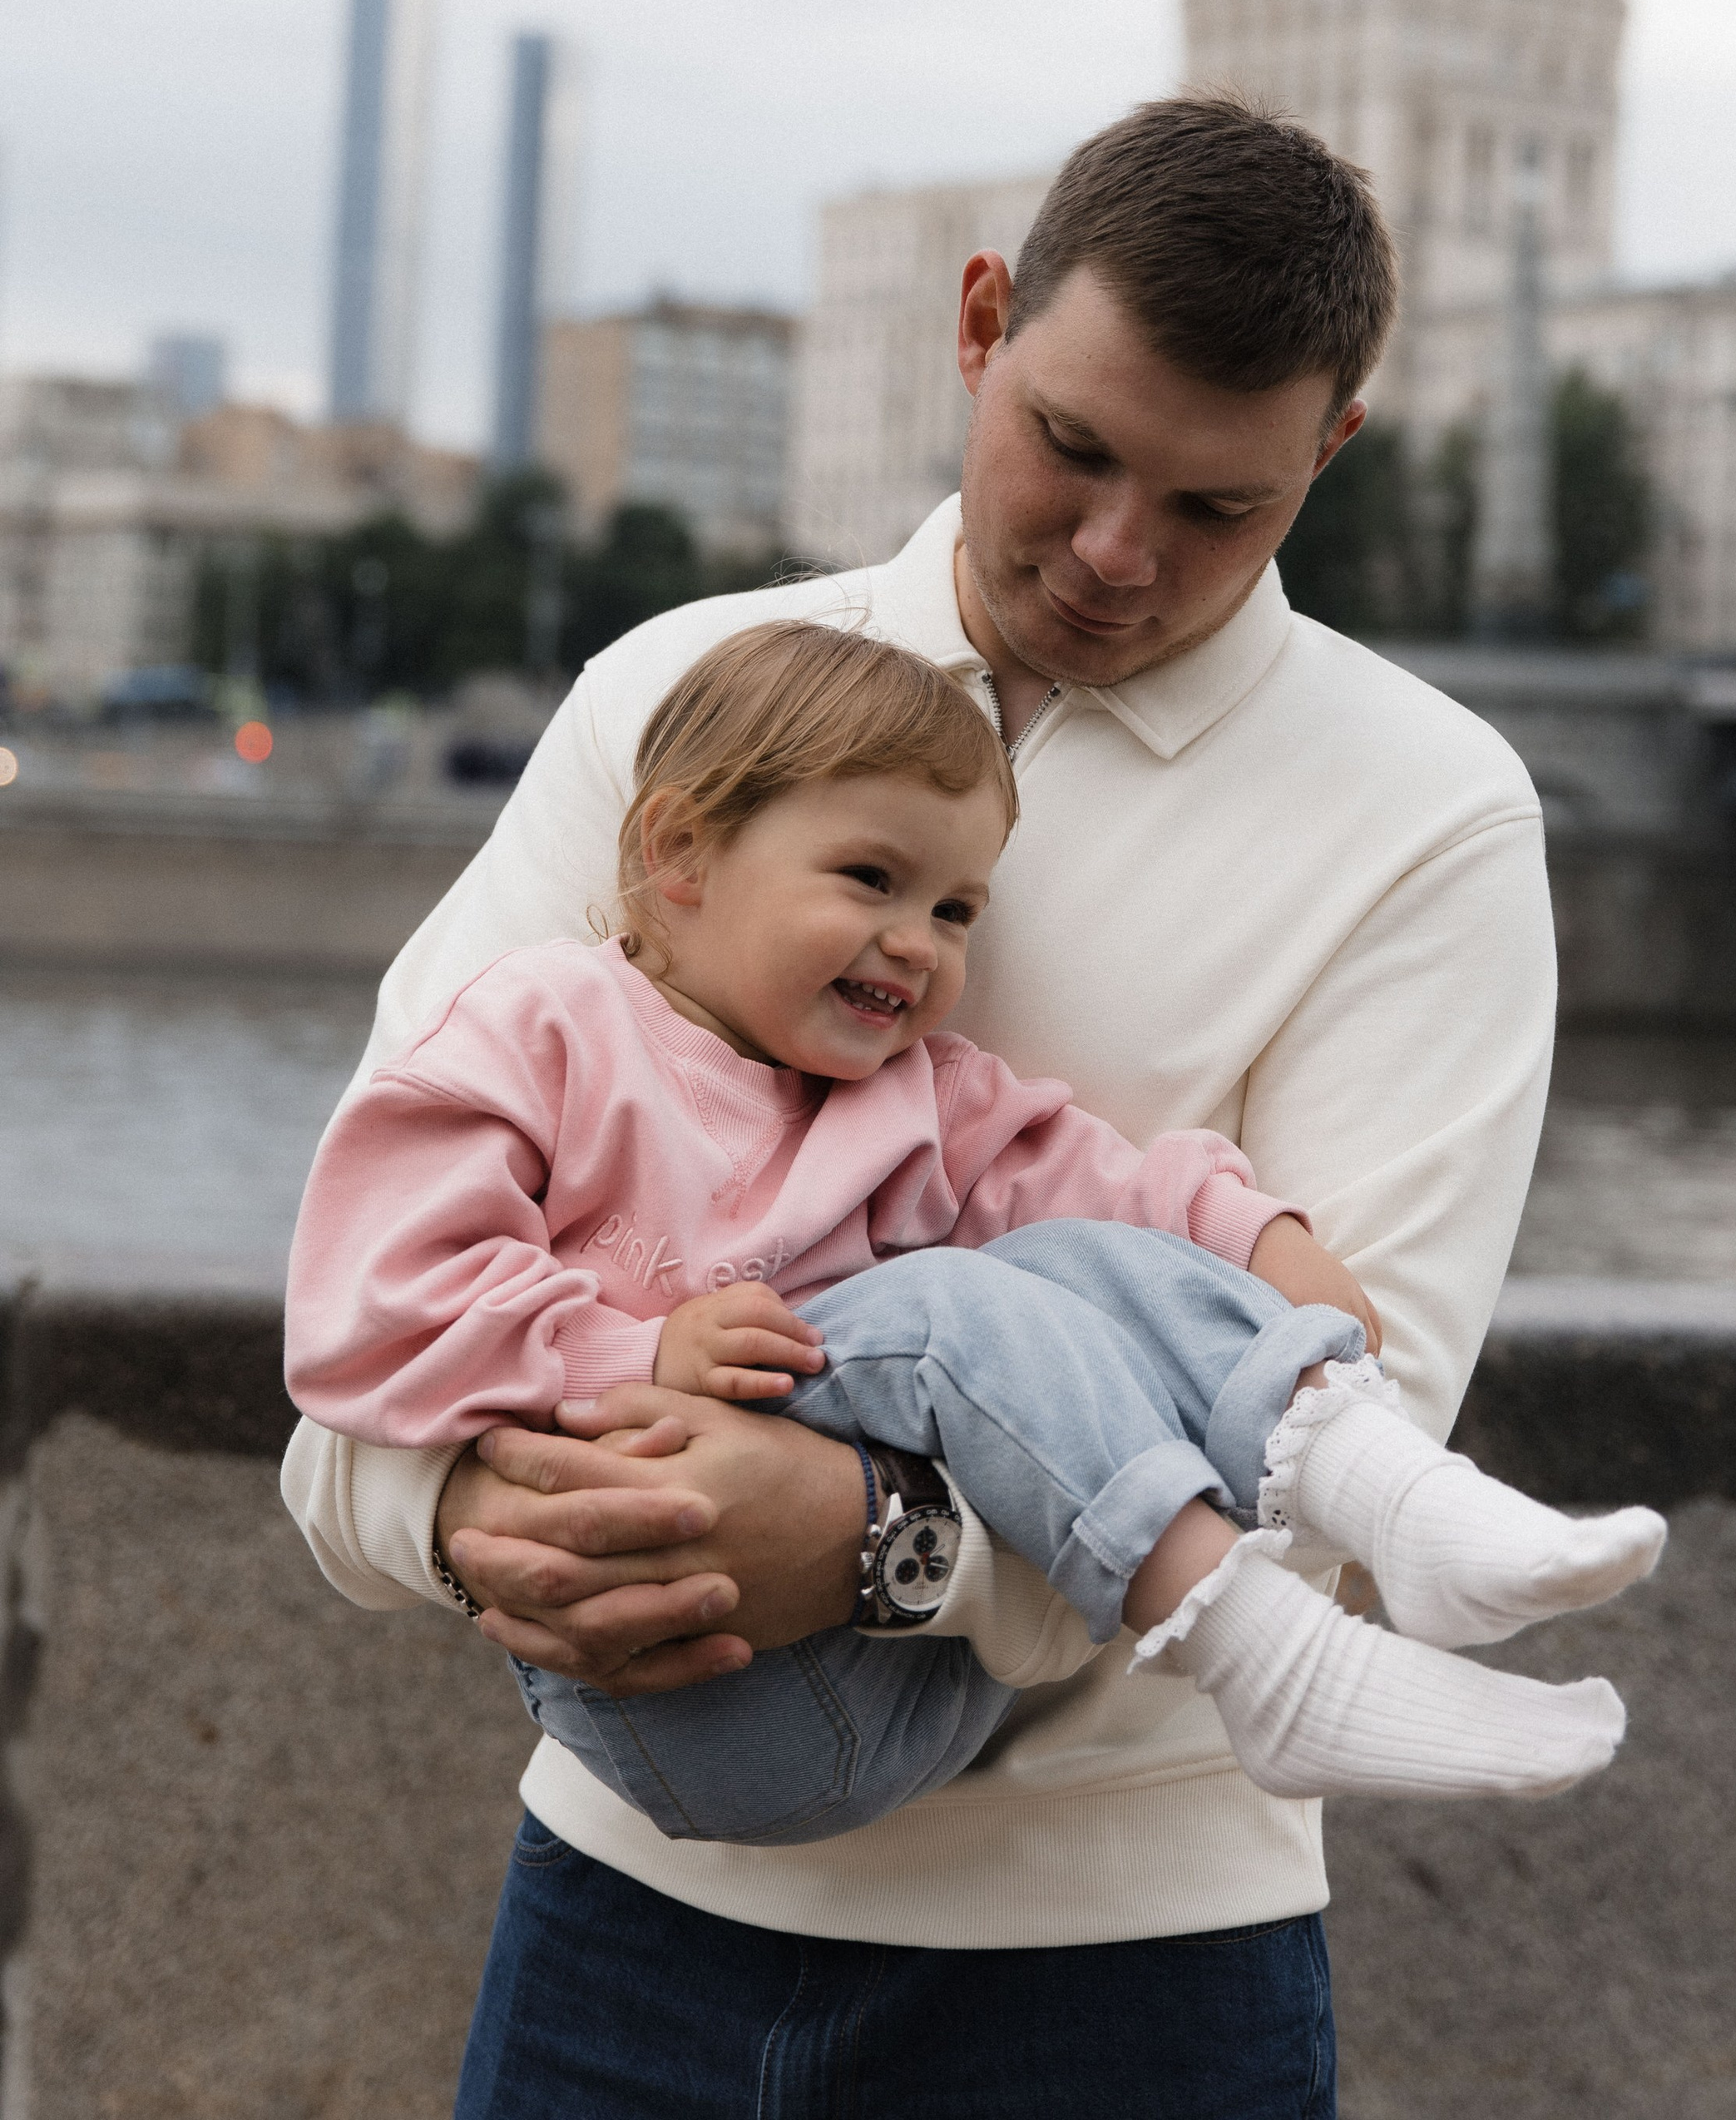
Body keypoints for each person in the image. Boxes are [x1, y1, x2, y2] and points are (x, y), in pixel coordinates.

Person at [282, 95, 1590, 2118]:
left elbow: (1353, 1429)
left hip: (1131, 1979)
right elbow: (364, 1308)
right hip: (623, 1911)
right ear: (979, 323)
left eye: (1218, 506)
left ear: (1328, 455)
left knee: (1080, 1267)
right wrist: (465, 1522)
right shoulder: (672, 696)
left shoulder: (1429, 816)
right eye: (1070, 446)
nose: (1113, 555)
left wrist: (879, 1543)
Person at [284, 622, 1656, 1856]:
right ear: (679, 853)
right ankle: (1268, 1659)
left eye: (954, 911)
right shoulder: (547, 1026)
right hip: (680, 1686)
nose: (915, 947)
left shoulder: (919, 1096)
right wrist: (636, 1354)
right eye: (870, 879)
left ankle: (1380, 1486)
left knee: (1067, 1256)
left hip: (929, 1698)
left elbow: (1117, 1196)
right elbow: (374, 1291)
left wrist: (1267, 1246)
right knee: (949, 1296)